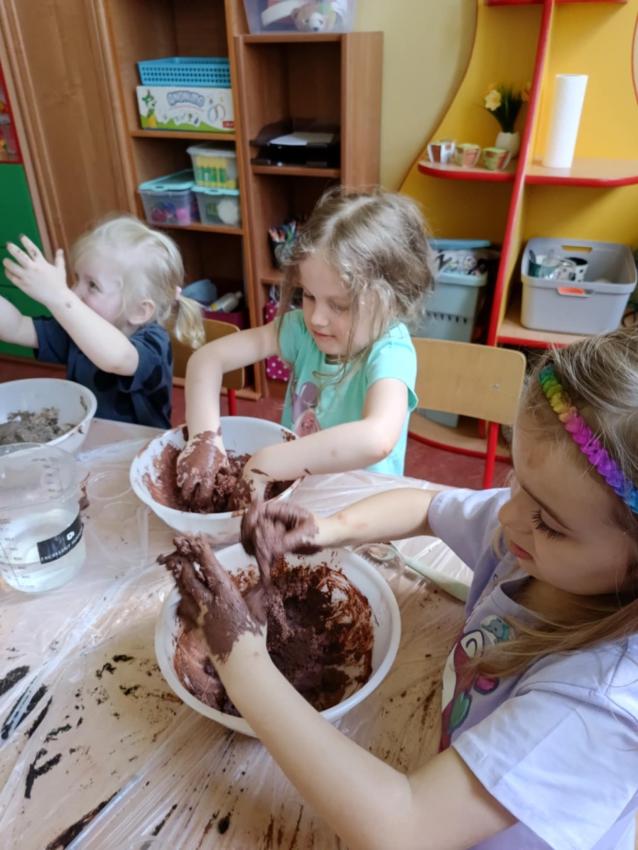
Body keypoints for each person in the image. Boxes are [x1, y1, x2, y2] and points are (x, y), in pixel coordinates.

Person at [174, 326, 638, 850]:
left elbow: (404, 828)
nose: (508, 516)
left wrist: (241, 661)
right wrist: (329, 529)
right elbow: (426, 507)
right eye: (515, 481)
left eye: (548, 523)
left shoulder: (599, 706)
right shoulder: (534, 533)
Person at [177, 187, 434, 507]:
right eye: (308, 296)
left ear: (391, 302)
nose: (317, 318)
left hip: (359, 507)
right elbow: (207, 359)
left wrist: (268, 461)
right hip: (296, 491)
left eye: (339, 305)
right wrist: (204, 442)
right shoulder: (300, 329)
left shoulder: (391, 351)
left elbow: (376, 438)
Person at [1, 215, 204, 428]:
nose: (74, 292)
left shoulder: (153, 343)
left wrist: (61, 298)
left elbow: (117, 359)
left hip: (140, 444)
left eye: (92, 286)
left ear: (139, 311)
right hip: (87, 437)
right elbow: (16, 328)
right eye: (77, 279)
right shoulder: (75, 329)